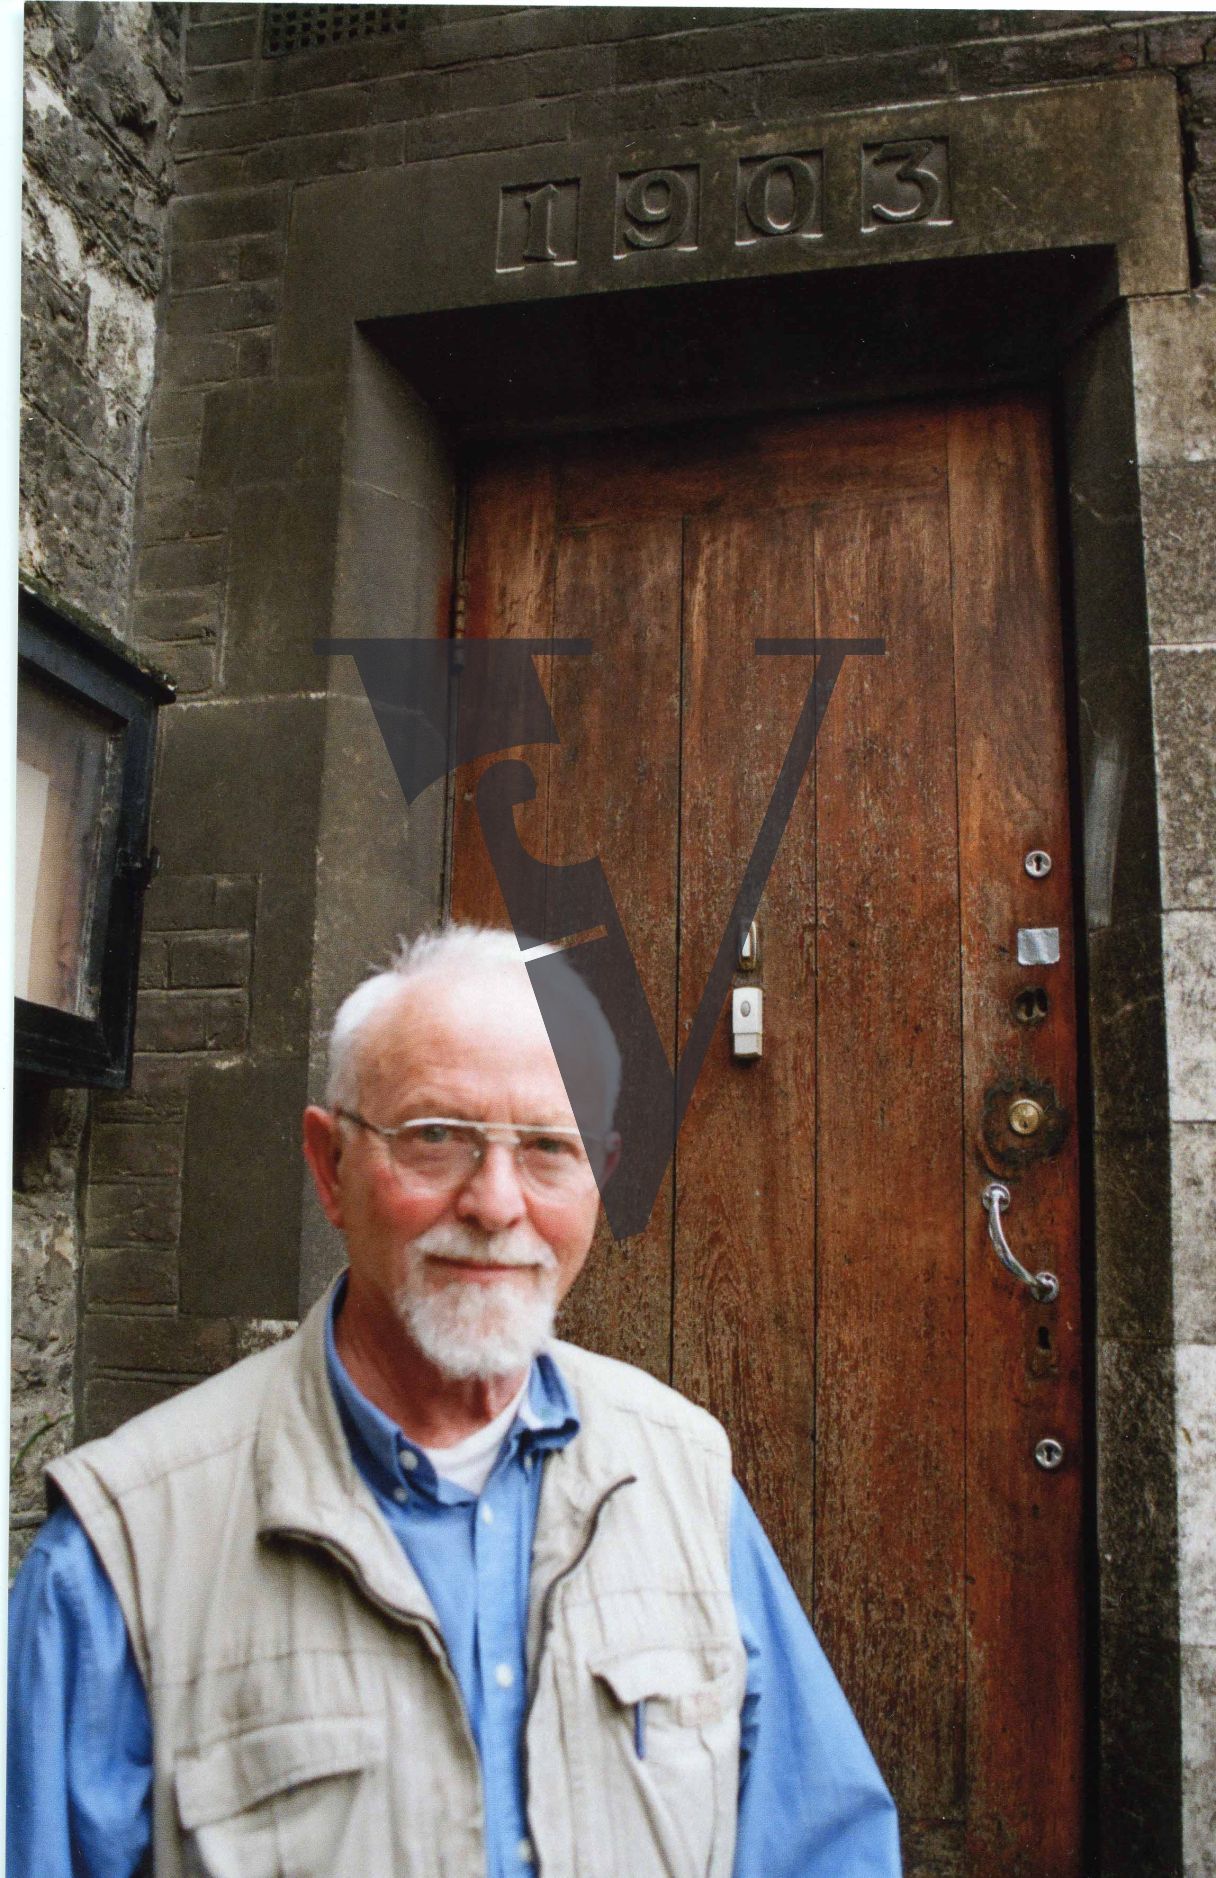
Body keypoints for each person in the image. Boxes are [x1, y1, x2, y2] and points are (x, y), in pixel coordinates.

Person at [8, 924, 901, 1877]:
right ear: (330, 1168)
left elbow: (825, 1846)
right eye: (437, 1137)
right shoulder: (124, 1553)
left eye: (551, 1149)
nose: (496, 1204)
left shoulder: (685, 1479)